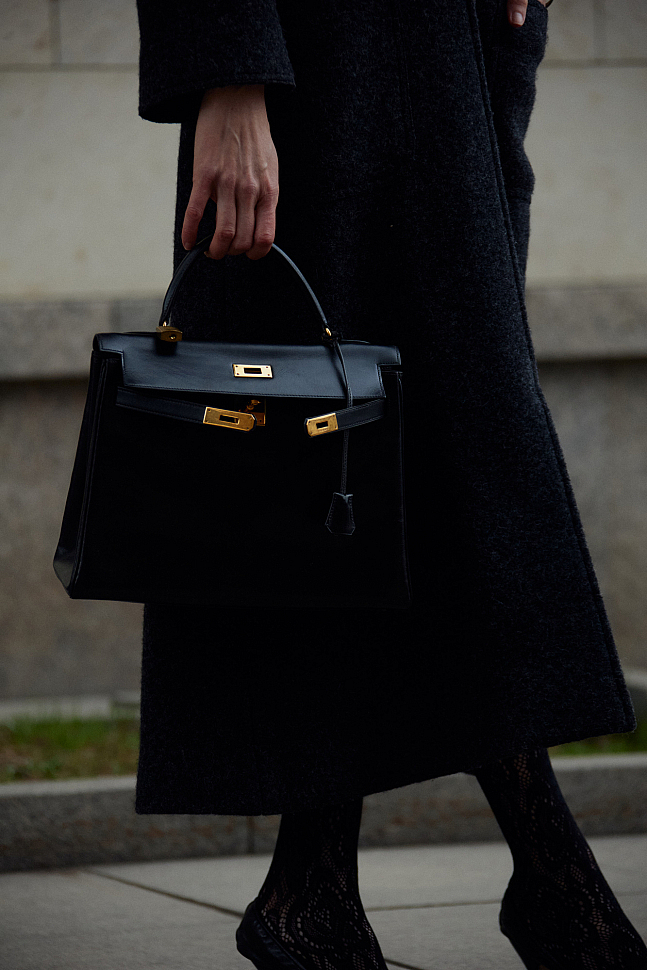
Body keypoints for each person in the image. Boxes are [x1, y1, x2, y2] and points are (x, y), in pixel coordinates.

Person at [134, 1, 647, 967]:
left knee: (382, 467)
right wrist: (228, 70)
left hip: (458, 59)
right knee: (359, 455)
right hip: (320, 57)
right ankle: (549, 883)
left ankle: (318, 891)